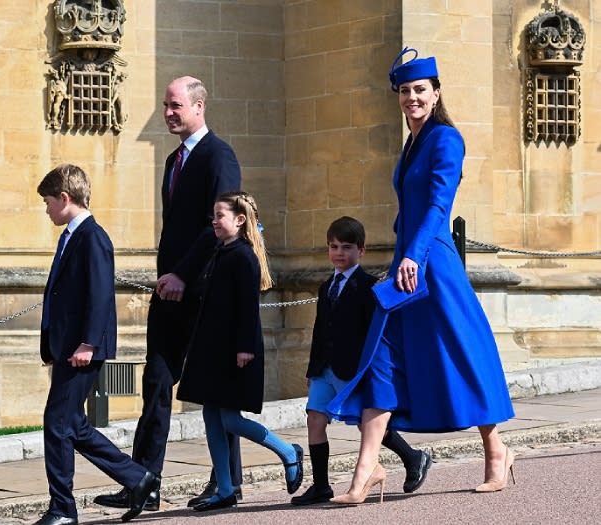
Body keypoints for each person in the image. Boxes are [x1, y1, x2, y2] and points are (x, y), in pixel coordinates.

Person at [329, 48, 516, 505]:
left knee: (462, 353)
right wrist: (399, 257)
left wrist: (412, 255)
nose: (411, 97)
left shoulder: (446, 139)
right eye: (405, 91)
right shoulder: (411, 142)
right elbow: (407, 208)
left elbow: (437, 204)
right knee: (380, 360)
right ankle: (366, 470)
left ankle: (496, 450)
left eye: (420, 90)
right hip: (406, 264)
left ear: (435, 94)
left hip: (434, 263)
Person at [94, 76, 243, 512]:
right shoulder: (172, 161)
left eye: (175, 105)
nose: (168, 113)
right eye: (165, 106)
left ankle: (227, 483)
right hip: (170, 293)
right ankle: (144, 482)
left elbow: (220, 225)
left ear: (199, 106)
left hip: (204, 292)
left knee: (214, 390)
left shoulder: (220, 155)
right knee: (155, 383)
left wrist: (183, 274)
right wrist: (168, 278)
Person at [35, 164, 158, 525]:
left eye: (47, 202)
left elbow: (101, 294)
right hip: (67, 346)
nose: (46, 210)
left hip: (81, 349)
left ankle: (63, 509)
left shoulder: (93, 236)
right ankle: (139, 478)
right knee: (72, 424)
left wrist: (88, 342)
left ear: (64, 197)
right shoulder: (71, 235)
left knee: (57, 424)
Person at [290, 216, 431, 506]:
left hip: (352, 367)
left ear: (361, 251)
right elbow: (319, 329)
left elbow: (373, 333)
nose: (339, 253)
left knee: (366, 426)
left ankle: (413, 457)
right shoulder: (325, 286)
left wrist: (367, 370)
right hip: (323, 368)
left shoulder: (369, 287)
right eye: (333, 247)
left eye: (347, 247)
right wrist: (311, 368)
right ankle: (320, 485)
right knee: (315, 419)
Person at [176, 191, 304, 511]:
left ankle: (288, 452)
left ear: (239, 220)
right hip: (212, 348)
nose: (214, 221)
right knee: (210, 416)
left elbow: (247, 308)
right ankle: (225, 487)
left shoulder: (243, 256)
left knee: (231, 420)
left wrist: (245, 348)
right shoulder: (222, 251)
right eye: (214, 216)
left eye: (220, 216)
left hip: (234, 350)